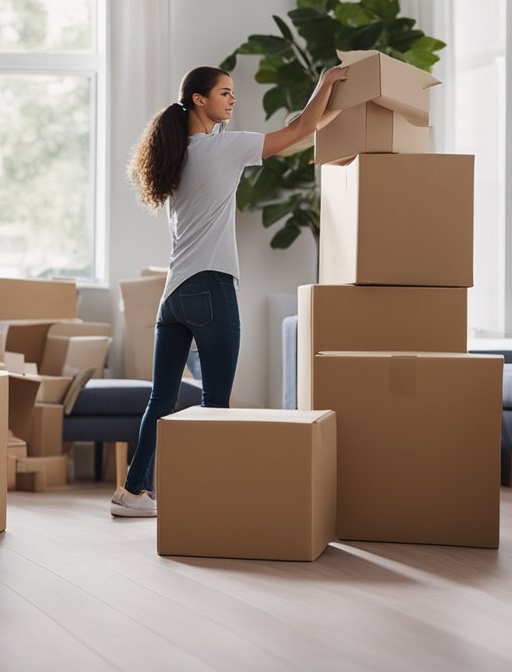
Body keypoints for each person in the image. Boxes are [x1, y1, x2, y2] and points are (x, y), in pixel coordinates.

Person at [110, 63, 349, 517]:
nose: (232, 100)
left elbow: (307, 125)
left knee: (160, 399)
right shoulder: (223, 148)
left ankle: (132, 492)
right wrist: (325, 84)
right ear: (199, 100)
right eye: (225, 93)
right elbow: (299, 129)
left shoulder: (176, 156)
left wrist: (332, 113)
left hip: (174, 294)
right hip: (211, 288)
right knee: (214, 402)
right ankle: (206, 498)